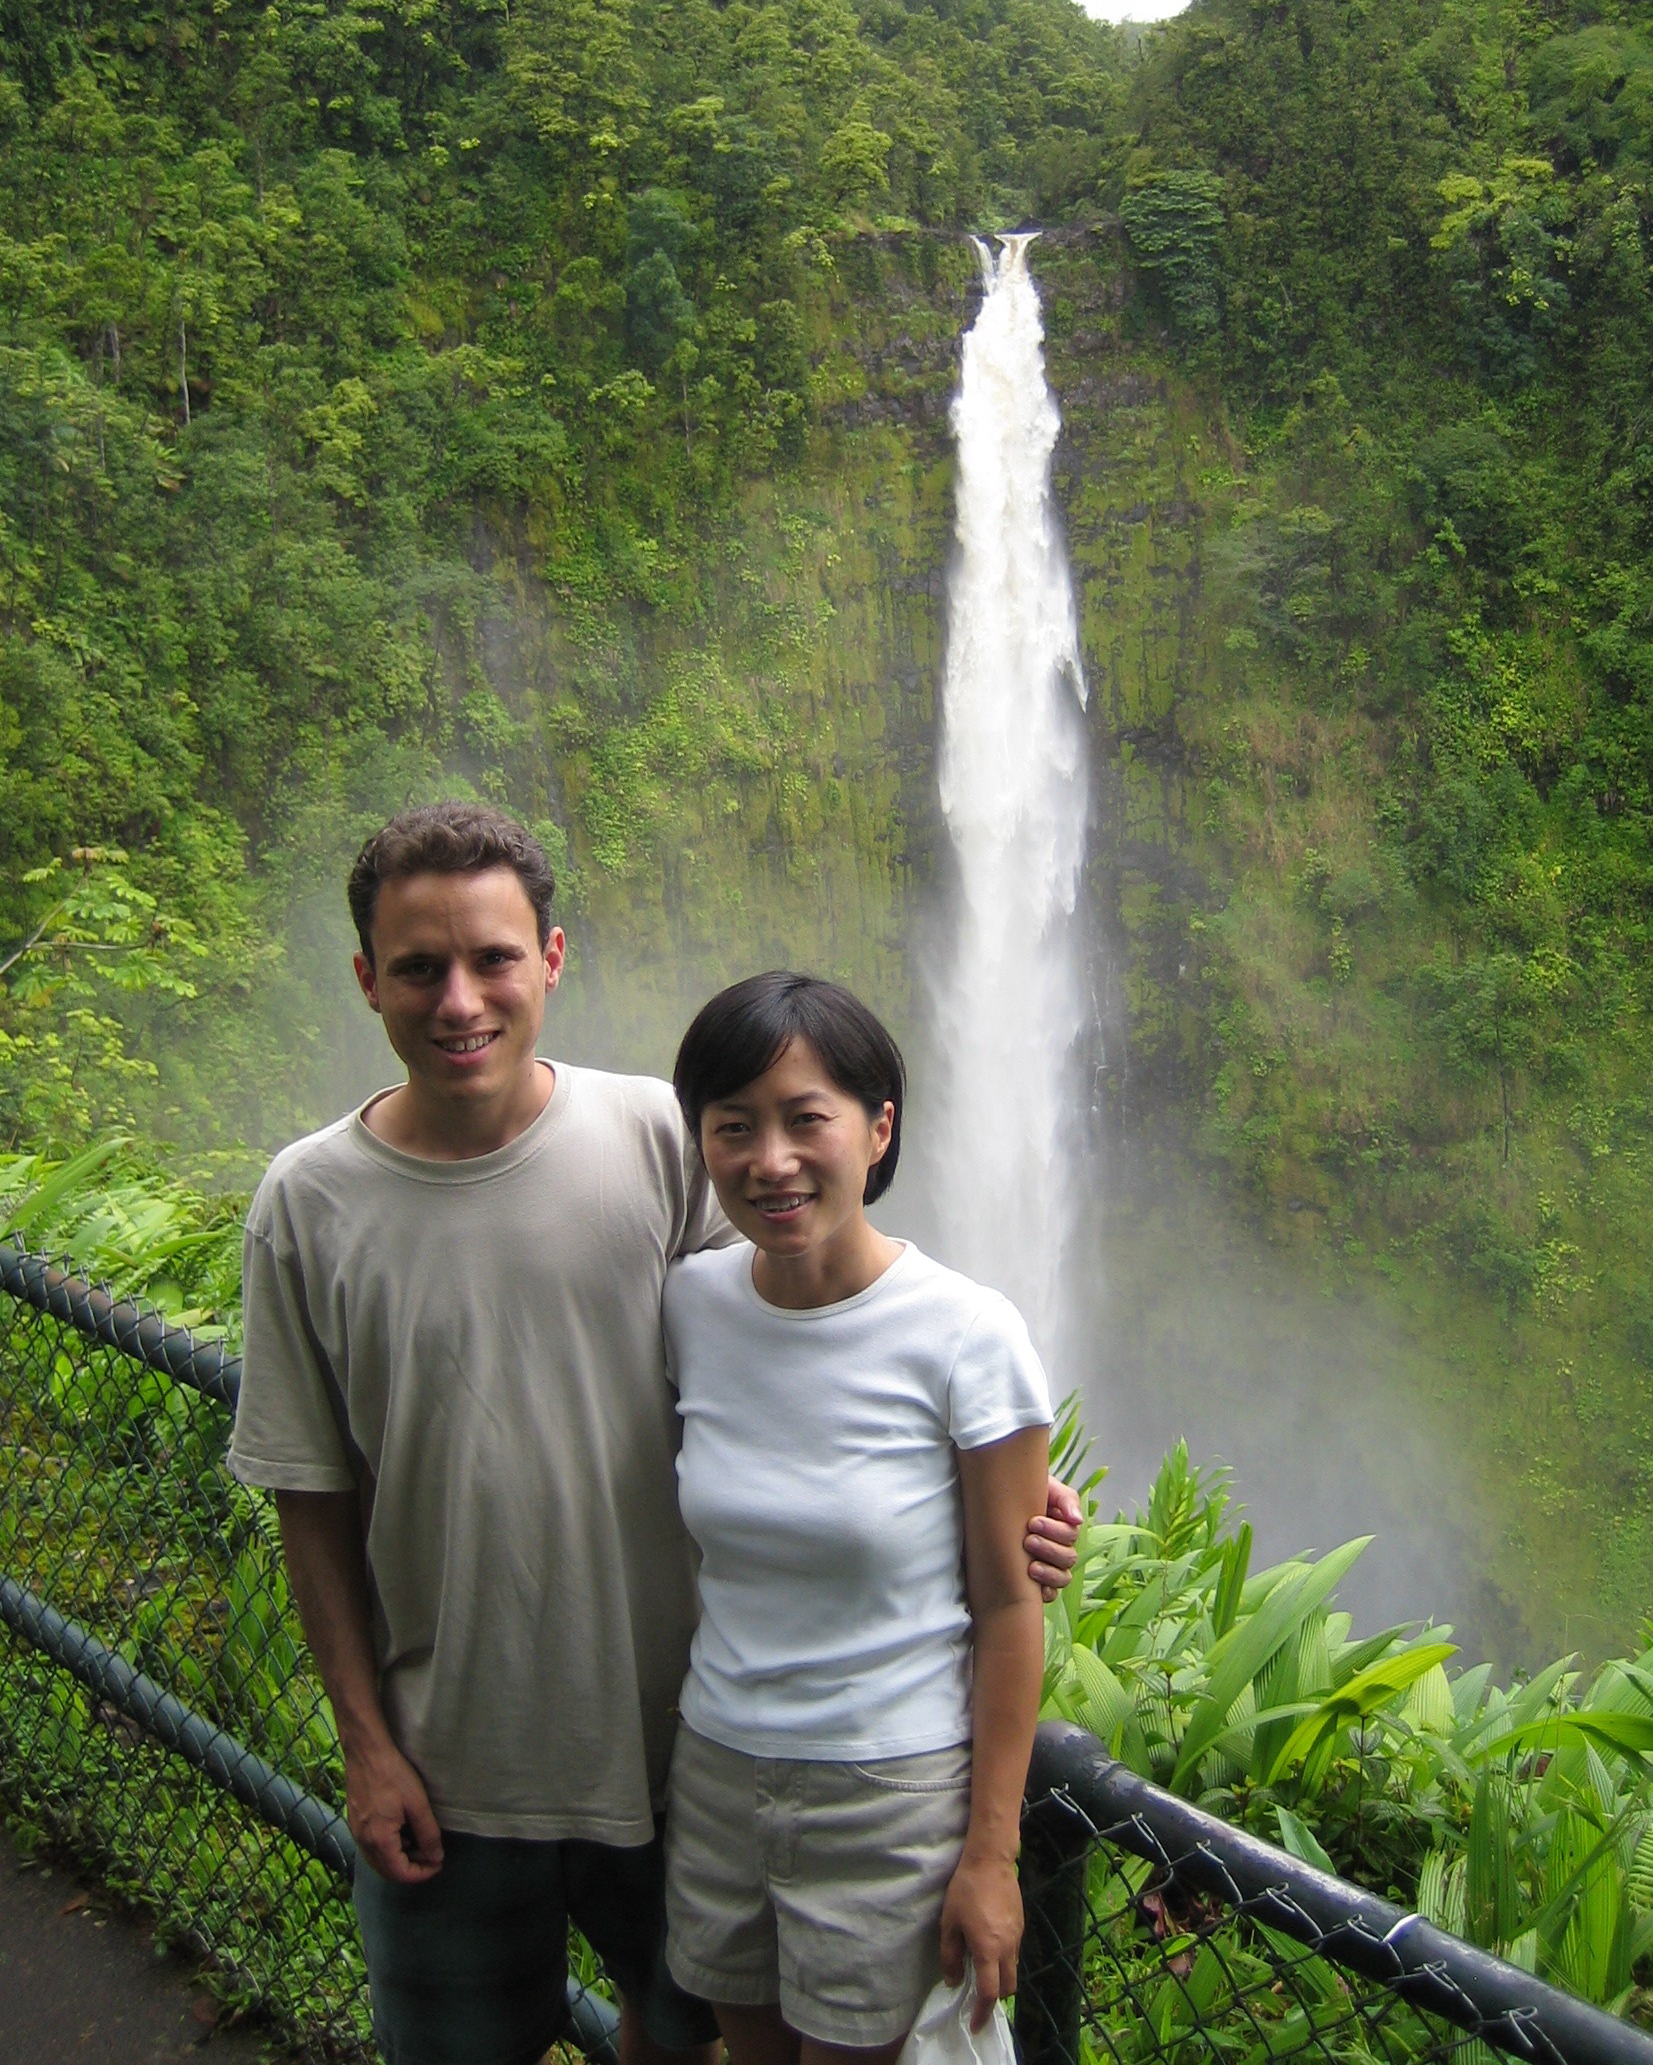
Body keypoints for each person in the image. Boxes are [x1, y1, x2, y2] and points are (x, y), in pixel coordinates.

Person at [227, 803, 1083, 2065]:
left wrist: (1008, 1499)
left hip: (681, 1759)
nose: (460, 998)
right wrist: (364, 1747)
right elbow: (311, 1501)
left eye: (494, 958)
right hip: (450, 1767)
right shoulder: (307, 1202)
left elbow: (823, 1331)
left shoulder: (658, 1141)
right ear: (367, 978)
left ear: (553, 958)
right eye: (419, 966)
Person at [661, 971, 1053, 2065]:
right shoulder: (688, 1303)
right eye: (734, 1126)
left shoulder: (970, 1333)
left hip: (888, 1794)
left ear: (878, 1129)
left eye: (805, 1119)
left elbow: (1010, 1604)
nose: (769, 1159)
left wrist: (993, 1855)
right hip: (717, 1765)